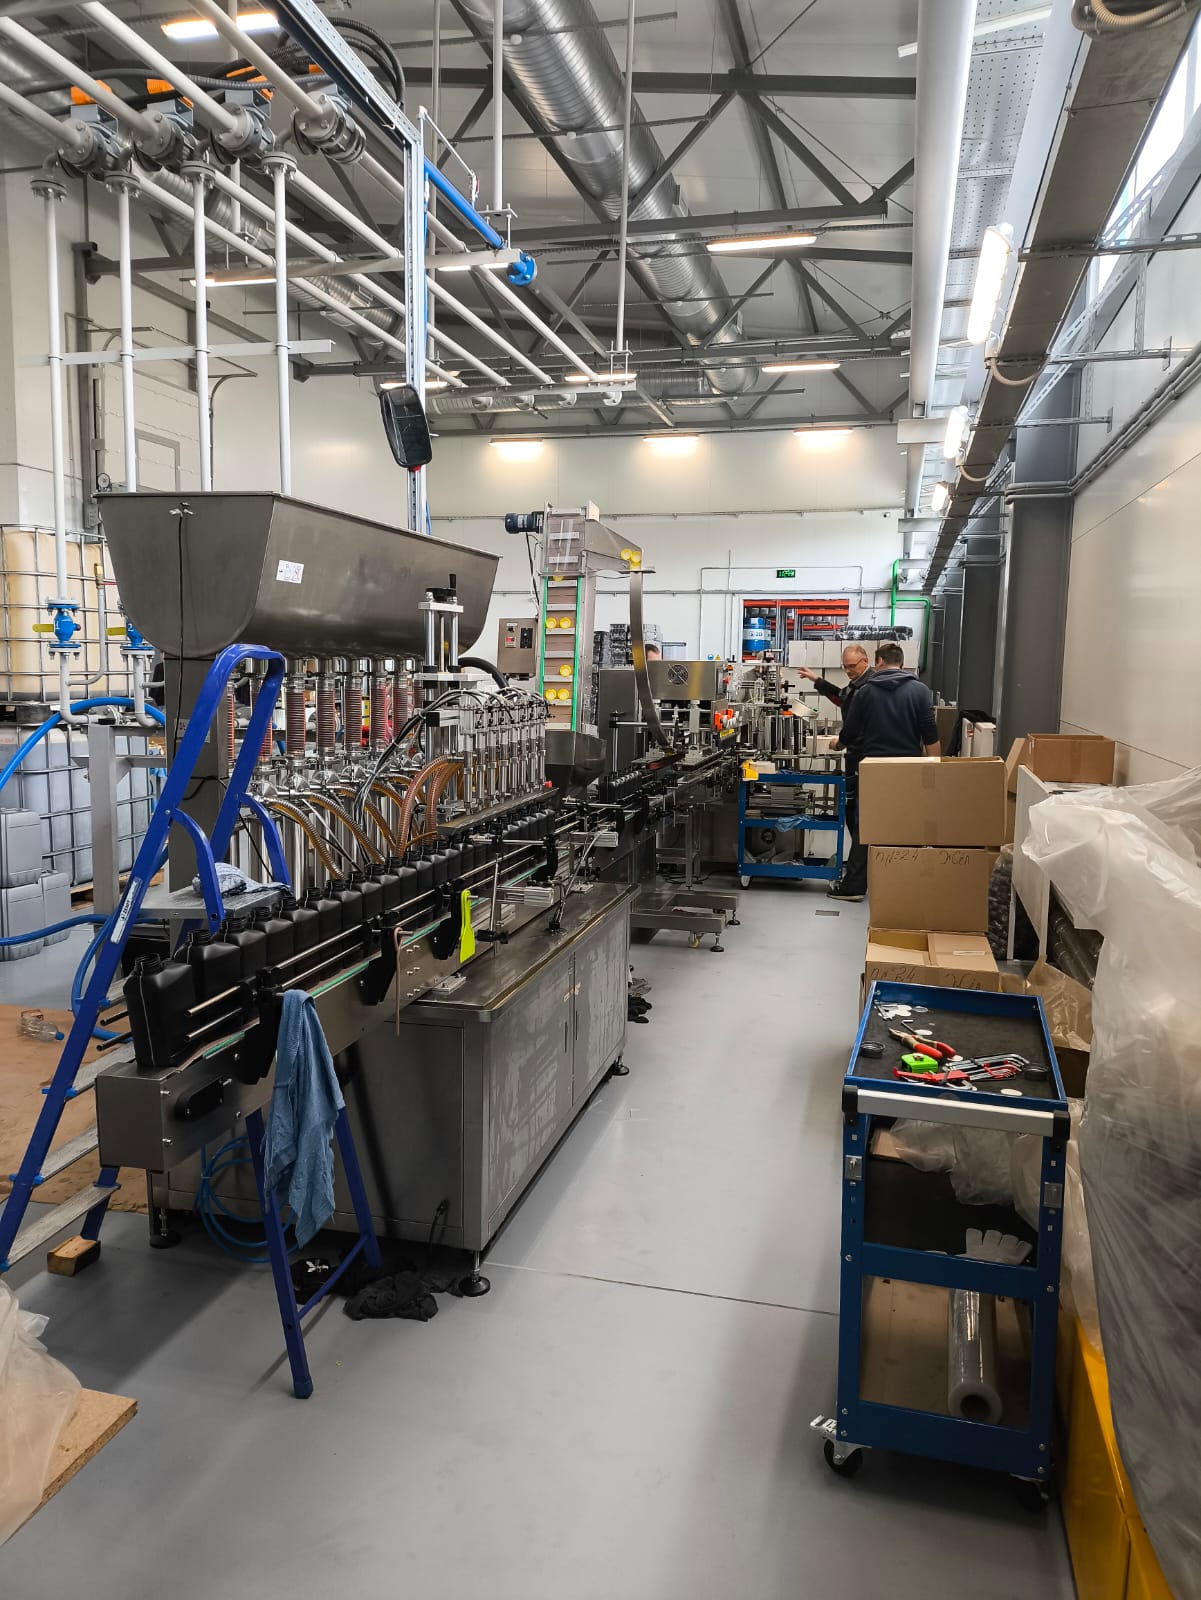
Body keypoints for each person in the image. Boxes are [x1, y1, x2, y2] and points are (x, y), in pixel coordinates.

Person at [827, 641, 940, 902]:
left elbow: (850, 732)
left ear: (878, 662)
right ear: (902, 663)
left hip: (873, 770)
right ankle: (904, 886)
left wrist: (837, 744)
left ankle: (855, 887)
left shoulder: (866, 692)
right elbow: (931, 736)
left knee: (866, 827)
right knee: (907, 825)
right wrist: (934, 772)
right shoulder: (920, 691)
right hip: (909, 770)